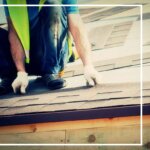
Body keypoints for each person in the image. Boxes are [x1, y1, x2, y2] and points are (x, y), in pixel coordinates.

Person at [0, 0, 101, 95]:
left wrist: (88, 66)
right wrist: (21, 71)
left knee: (53, 5)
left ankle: (51, 71)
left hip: (52, 55)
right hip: (27, 59)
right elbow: (13, 32)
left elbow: (77, 26)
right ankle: (10, 75)